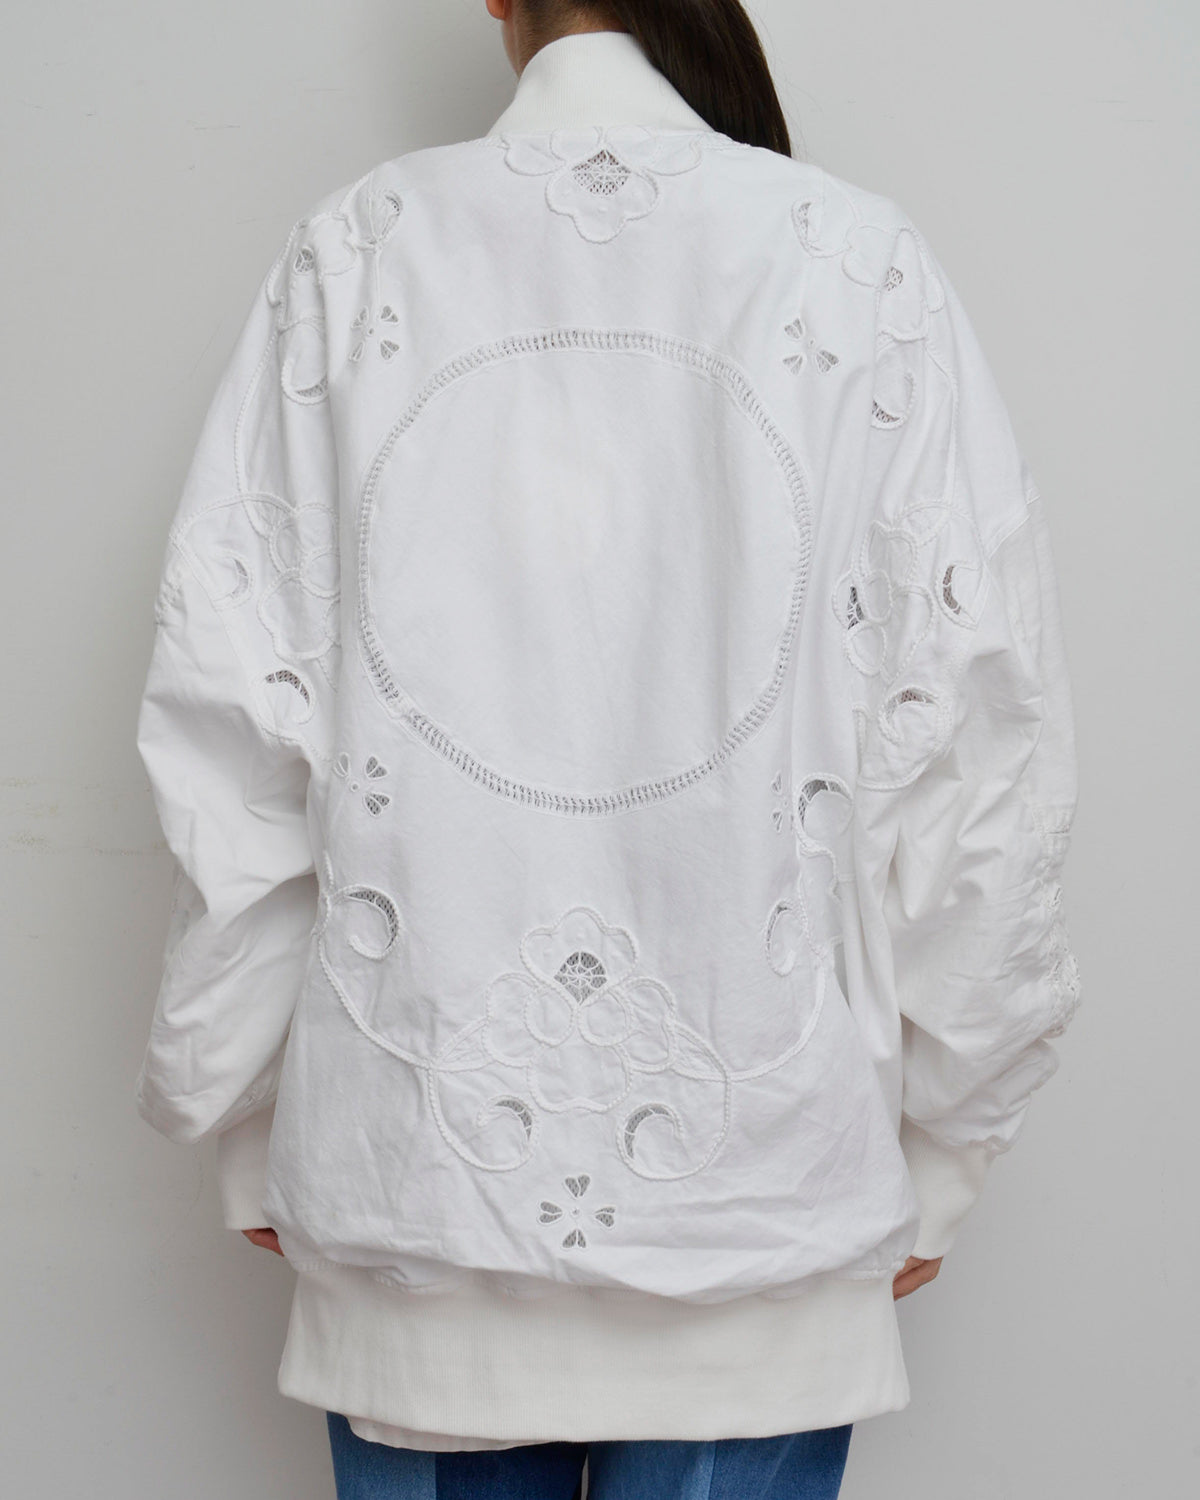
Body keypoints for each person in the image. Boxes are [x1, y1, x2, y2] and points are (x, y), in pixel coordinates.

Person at [132, 2, 1083, 1496]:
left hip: (415, 1203)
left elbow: (239, 720)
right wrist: (949, 1145)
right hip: (767, 1213)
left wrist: (243, 1103)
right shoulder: (856, 261)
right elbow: (974, 747)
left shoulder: (357, 252)